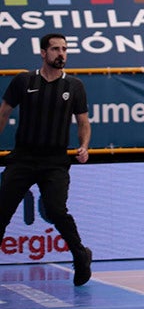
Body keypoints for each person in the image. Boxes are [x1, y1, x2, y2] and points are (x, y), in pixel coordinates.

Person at [0, 33, 93, 286]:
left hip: (55, 161)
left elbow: (83, 122)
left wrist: (83, 146)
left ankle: (80, 255)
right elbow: (4, 112)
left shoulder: (74, 86)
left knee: (55, 210)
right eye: (55, 49)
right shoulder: (23, 80)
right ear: (43, 53)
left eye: (64, 49)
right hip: (23, 157)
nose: (60, 53)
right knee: (2, 211)